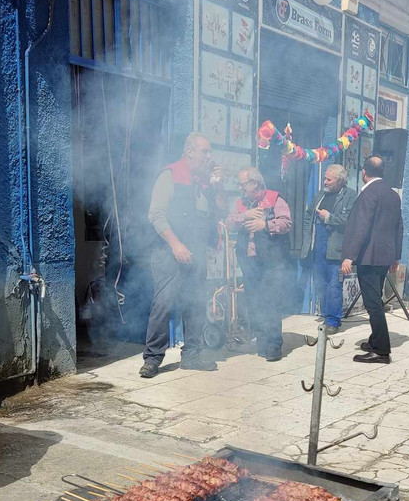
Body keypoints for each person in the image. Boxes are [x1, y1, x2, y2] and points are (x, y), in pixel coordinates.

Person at [140, 133, 224, 378]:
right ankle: (153, 358)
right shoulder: (170, 175)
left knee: (195, 304)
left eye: (210, 152)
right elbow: (155, 214)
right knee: (163, 304)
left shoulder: (207, 181)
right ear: (189, 151)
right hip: (169, 251)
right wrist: (176, 245)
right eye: (205, 152)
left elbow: (219, 210)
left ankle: (193, 355)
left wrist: (218, 185)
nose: (209, 156)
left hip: (197, 251)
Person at [340, 155, 403, 364]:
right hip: (385, 256)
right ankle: (375, 339)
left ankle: (381, 350)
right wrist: (396, 256)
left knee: (372, 303)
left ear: (364, 173)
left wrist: (349, 256)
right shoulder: (393, 195)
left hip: (368, 256)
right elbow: (398, 227)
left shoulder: (368, 194)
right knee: (375, 299)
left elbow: (361, 227)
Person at [226, 167, 292, 361]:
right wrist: (244, 216)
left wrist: (265, 225)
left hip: (272, 261)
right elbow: (228, 223)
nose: (240, 188)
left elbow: (286, 223)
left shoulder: (274, 199)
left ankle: (274, 344)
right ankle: (261, 340)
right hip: (249, 262)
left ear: (255, 183)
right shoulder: (241, 203)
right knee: (254, 301)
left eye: (243, 184)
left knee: (270, 301)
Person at [300, 164, 357, 334]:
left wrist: (329, 217)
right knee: (320, 284)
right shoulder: (320, 195)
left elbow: (351, 220)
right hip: (318, 247)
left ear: (340, 181)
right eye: (324, 178)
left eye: (328, 179)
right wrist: (307, 237)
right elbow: (308, 215)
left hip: (336, 249)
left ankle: (333, 320)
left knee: (334, 285)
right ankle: (325, 314)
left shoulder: (351, 196)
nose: (324, 181)